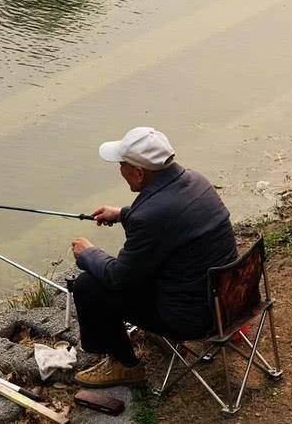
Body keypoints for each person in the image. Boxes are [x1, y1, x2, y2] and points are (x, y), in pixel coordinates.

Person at [70, 127, 238, 388]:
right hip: (231, 301)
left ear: (138, 172)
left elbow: (118, 278)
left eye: (122, 165)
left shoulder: (149, 216)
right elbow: (170, 218)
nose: (120, 170)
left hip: (192, 319)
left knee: (88, 286)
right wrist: (123, 214)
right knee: (145, 267)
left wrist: (88, 253)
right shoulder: (196, 180)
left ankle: (124, 365)